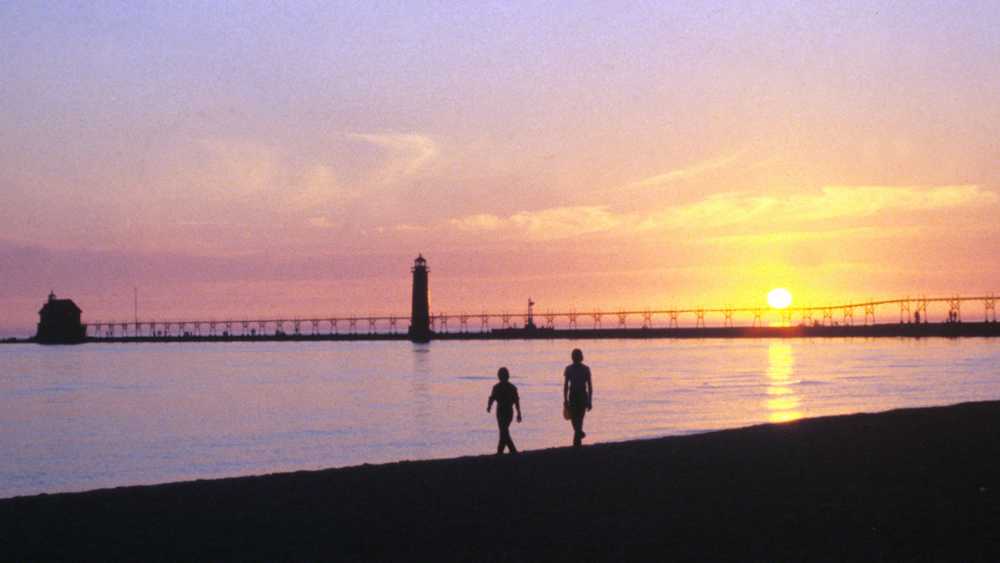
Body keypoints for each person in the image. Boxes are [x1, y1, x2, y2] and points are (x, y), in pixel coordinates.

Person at [487, 367, 522, 454]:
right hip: (500, 411)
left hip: (508, 412)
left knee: (504, 430)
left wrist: (519, 413)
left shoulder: (512, 388)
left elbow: (516, 401)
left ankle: (509, 451)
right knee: (503, 431)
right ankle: (503, 451)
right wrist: (489, 406)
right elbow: (492, 398)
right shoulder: (497, 387)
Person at [563, 348, 592, 447]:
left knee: (576, 421)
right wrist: (589, 400)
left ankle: (577, 443)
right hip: (580, 396)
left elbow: (566, 386)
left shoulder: (570, 369)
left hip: (576, 396)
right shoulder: (585, 369)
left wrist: (565, 399)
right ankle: (579, 437)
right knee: (578, 421)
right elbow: (590, 386)